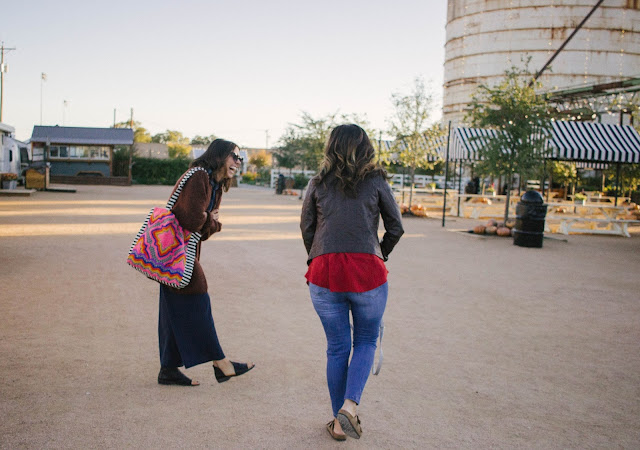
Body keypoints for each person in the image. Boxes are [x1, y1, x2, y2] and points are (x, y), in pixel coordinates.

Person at [300, 124, 404, 440]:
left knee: (337, 348)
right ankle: (350, 406)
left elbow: (307, 228)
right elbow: (396, 227)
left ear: (330, 147)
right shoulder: (377, 181)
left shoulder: (317, 183)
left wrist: (319, 257)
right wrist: (379, 253)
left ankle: (337, 422)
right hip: (367, 270)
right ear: (366, 148)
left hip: (324, 271)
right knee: (366, 340)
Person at [157, 139, 255, 387]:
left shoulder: (216, 186)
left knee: (171, 307)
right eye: (234, 156)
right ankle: (221, 362)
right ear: (219, 155)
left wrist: (209, 221)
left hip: (180, 253)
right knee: (199, 296)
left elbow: (203, 230)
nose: (238, 162)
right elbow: (191, 219)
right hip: (176, 253)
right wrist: (211, 220)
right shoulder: (199, 176)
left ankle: (168, 369)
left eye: (240, 158)